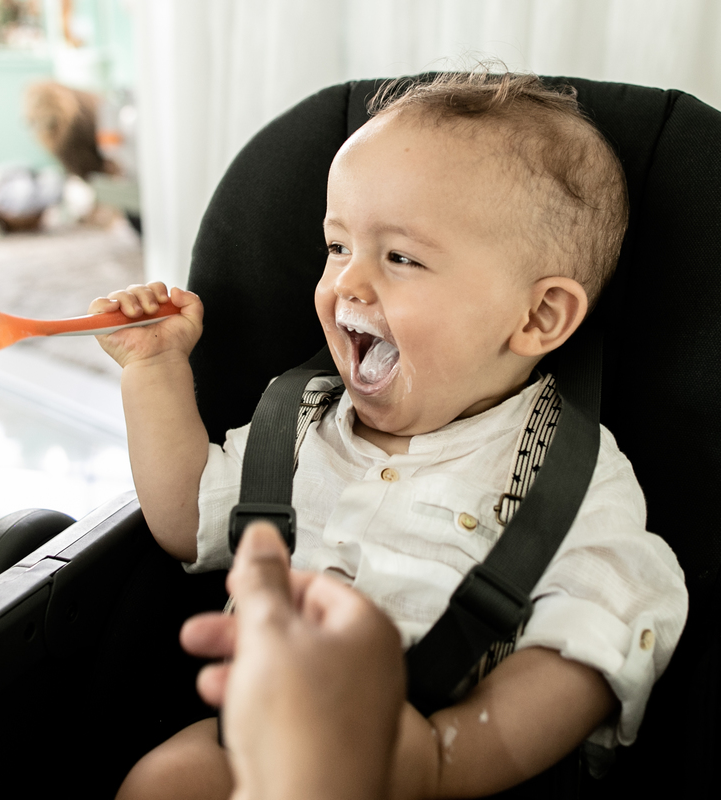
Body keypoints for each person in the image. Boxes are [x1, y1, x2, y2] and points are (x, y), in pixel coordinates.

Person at [99, 70, 689, 800]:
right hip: (256, 736)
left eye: (400, 257)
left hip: (426, 752)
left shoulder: (568, 473)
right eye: (338, 246)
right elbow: (187, 520)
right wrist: (153, 370)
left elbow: (598, 640)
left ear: (537, 319)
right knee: (161, 780)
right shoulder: (300, 424)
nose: (348, 283)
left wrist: (441, 759)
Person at [180, 521, 405, 800]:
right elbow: (181, 527)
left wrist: (434, 761)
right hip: (250, 704)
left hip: (395, 732)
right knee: (166, 780)